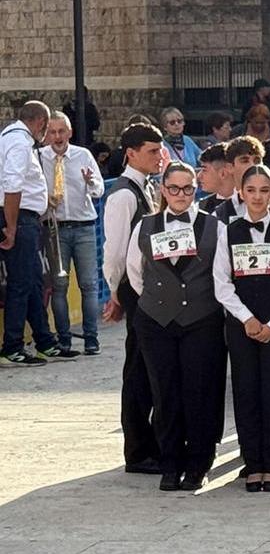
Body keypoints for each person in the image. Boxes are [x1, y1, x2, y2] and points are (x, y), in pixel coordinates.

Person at [126, 161, 225, 491]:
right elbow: (135, 272)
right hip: (156, 321)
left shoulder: (214, 226)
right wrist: (160, 299)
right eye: (174, 188)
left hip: (202, 319)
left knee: (199, 391)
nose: (181, 195)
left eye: (187, 188)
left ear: (195, 189)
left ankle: (198, 463)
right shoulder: (146, 224)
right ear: (164, 190)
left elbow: (222, 274)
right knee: (164, 392)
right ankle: (170, 462)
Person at [213, 165, 270, 492]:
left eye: (263, 190)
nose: (257, 196)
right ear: (241, 193)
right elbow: (222, 283)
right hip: (242, 326)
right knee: (246, 391)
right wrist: (247, 319)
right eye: (250, 190)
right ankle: (253, 463)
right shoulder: (229, 231)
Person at [101, 122, 165, 473]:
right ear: (131, 153)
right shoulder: (124, 194)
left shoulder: (146, 188)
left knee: (149, 368)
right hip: (134, 288)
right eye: (152, 152)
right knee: (138, 371)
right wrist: (115, 292)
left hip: (148, 289)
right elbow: (115, 251)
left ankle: (151, 443)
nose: (158, 158)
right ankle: (138, 451)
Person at [0, 101, 77, 365]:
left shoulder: (10, 138)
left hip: (23, 218)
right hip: (19, 219)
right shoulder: (20, 144)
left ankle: (45, 341)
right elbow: (12, 186)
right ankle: (12, 347)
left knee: (33, 281)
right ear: (42, 123)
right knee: (21, 283)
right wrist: (10, 228)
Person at [40, 111, 105, 355]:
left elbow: (99, 190)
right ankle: (64, 339)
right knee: (59, 285)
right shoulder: (39, 157)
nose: (57, 137)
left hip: (83, 226)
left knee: (89, 284)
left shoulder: (83, 155)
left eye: (61, 131)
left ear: (70, 132)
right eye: (52, 132)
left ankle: (91, 338)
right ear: (47, 135)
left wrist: (90, 182)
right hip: (54, 227)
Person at [214, 136, 270, 223]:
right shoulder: (219, 214)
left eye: (257, 160)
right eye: (245, 160)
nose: (252, 165)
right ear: (230, 167)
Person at [196, 143, 234, 213]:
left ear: (223, 173)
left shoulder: (253, 203)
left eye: (204, 170)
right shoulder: (202, 206)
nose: (199, 176)